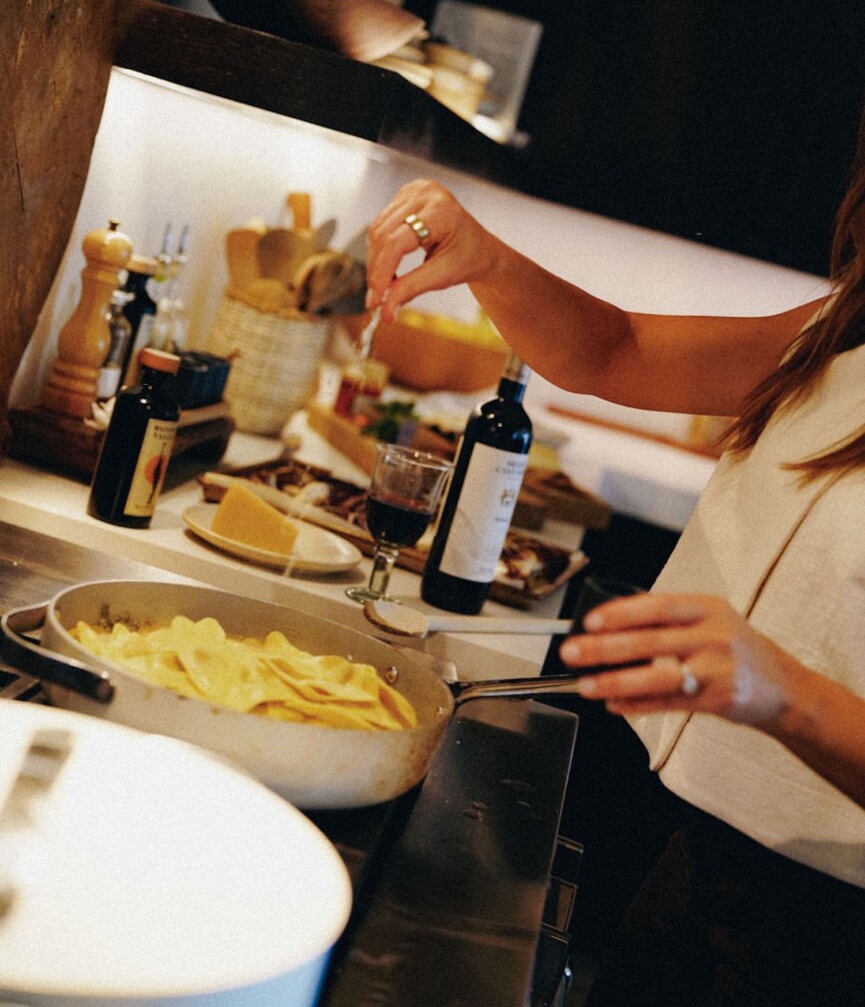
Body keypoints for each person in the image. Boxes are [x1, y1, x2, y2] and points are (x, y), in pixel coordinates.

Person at [363, 128, 865, 1006]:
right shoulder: (843, 334)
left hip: (829, 930)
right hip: (700, 852)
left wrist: (780, 689)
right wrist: (485, 257)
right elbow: (615, 350)